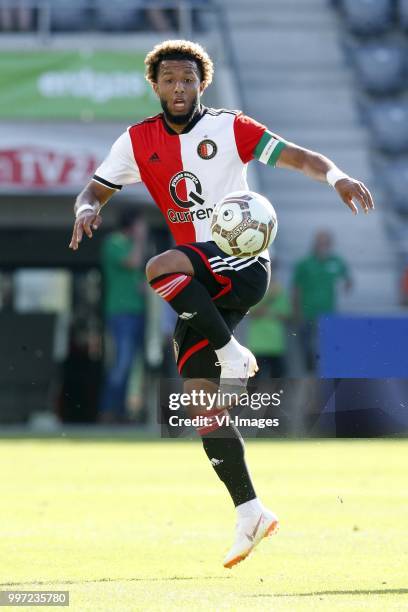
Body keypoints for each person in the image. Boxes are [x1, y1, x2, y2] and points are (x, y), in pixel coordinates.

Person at [69, 39, 374, 568]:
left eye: (189, 80)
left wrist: (337, 176)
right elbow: (95, 190)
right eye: (170, 80)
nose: (180, 88)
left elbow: (299, 156)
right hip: (200, 283)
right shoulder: (137, 141)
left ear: (202, 83)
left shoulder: (231, 128)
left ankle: (233, 352)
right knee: (200, 400)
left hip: (241, 261)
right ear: (156, 85)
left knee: (158, 266)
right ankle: (250, 510)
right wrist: (83, 209)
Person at [99, 208, 147, 424]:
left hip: (136, 312)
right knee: (121, 362)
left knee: (132, 364)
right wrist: (139, 240)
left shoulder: (129, 245)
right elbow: (133, 263)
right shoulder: (115, 242)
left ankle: (121, 412)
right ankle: (108, 411)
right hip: (120, 312)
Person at [293, 230, 352, 372]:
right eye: (320, 242)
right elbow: (296, 289)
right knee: (307, 348)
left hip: (328, 314)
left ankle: (322, 375)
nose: (323, 246)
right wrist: (297, 312)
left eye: (326, 243)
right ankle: (310, 375)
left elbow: (348, 279)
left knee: (327, 349)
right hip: (307, 312)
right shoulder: (304, 263)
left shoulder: (336, 261)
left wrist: (346, 285)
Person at [247, 262, 291, 378]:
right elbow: (252, 314)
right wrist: (270, 300)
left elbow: (286, 315)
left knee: (278, 379)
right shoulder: (256, 289)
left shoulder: (279, 290)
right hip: (258, 345)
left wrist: (267, 312)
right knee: (255, 381)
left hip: (276, 345)